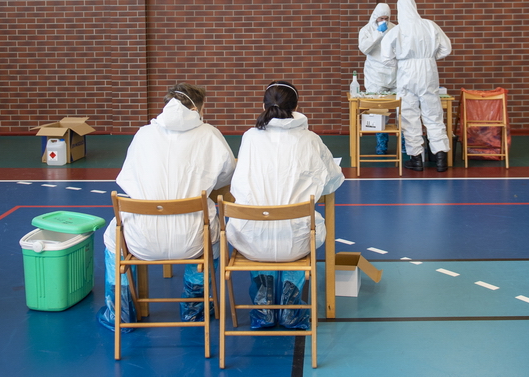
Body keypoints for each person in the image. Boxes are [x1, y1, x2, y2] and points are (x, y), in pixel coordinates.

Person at [98, 83, 236, 330]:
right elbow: (227, 176)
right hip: (194, 241)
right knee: (213, 236)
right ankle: (194, 309)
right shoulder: (210, 134)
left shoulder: (143, 134)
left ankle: (121, 312)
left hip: (141, 239)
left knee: (112, 240)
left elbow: (128, 176)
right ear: (197, 108)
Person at [226, 80, 345, 329]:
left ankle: (264, 308)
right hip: (296, 242)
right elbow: (332, 182)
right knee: (305, 230)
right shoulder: (310, 140)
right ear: (297, 107)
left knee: (258, 234)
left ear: (264, 105)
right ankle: (291, 307)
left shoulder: (249, 137)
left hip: (251, 241)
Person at [380, 0, 453, 172]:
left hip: (406, 73)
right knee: (433, 115)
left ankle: (416, 159)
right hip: (428, 71)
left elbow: (385, 57)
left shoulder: (396, 30)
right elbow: (447, 48)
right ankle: (441, 158)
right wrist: (430, 58)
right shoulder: (429, 25)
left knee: (409, 116)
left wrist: (400, 63)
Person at [358, 2, 397, 154]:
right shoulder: (367, 30)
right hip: (376, 75)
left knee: (404, 109)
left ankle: (406, 143)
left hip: (395, 74)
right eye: (381, 18)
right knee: (379, 111)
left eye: (386, 18)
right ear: (375, 17)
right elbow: (364, 48)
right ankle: (382, 143)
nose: (384, 21)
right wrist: (378, 33)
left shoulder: (395, 28)